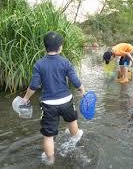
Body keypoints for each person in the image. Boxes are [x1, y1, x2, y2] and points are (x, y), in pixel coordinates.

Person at [22, 31, 85, 164]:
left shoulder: (39, 64)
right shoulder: (65, 62)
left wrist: (26, 98)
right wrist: (82, 91)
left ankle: (50, 159)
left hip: (49, 104)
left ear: (45, 47)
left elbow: (33, 85)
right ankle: (76, 137)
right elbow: (75, 81)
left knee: (48, 135)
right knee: (72, 120)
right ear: (60, 47)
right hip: (66, 100)